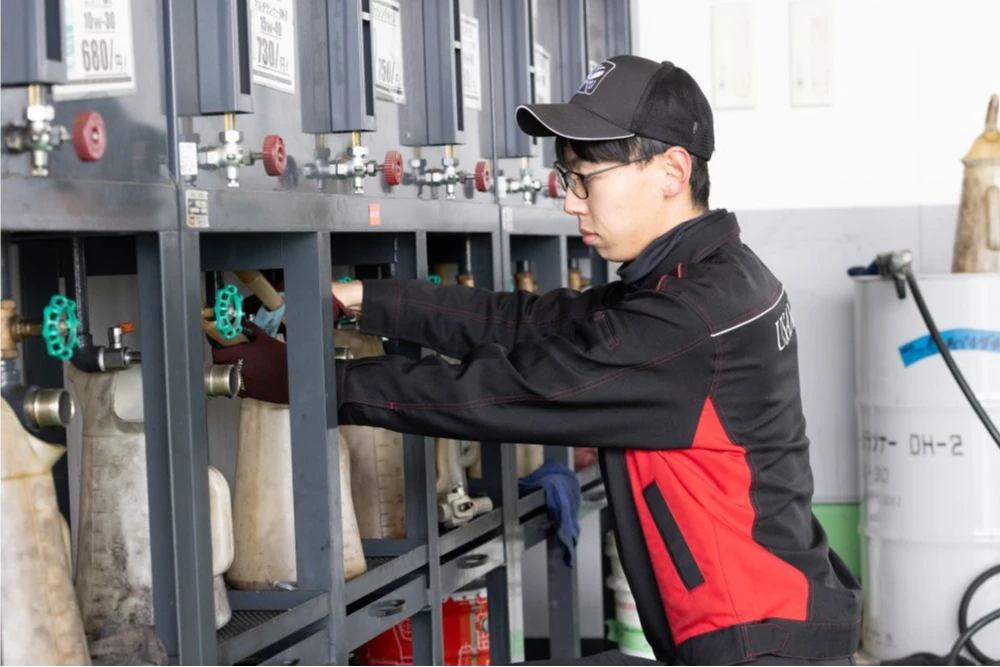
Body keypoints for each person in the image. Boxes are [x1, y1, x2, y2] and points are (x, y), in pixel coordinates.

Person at [213, 55, 862, 667]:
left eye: (585, 179)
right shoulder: (700, 279)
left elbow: (512, 391)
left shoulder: (690, 318)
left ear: (671, 170)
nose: (571, 201)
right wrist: (363, 299)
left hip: (759, 643)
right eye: (566, 178)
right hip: (767, 627)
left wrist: (316, 383)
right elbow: (527, 323)